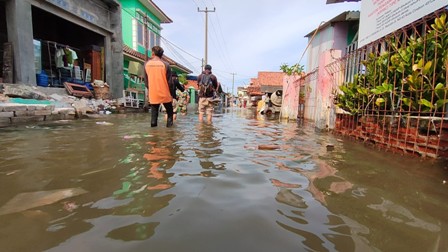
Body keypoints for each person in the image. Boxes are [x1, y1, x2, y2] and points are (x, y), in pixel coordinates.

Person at [144, 46, 175, 127]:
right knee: (170, 113)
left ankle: (154, 135)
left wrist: (150, 91)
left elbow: (146, 82)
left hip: (153, 94)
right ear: (162, 55)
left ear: (153, 53)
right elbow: (170, 83)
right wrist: (172, 95)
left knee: (154, 116)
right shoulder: (166, 64)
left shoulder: (146, 64)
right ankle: (169, 134)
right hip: (165, 93)